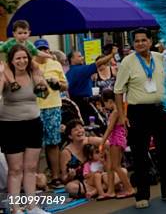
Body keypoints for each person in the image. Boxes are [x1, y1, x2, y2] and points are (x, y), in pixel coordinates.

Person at [114, 28, 166, 209]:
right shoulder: (127, 62)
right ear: (133, 44)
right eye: (136, 41)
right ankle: (142, 195)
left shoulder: (160, 58)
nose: (140, 43)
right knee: (140, 154)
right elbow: (118, 91)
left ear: (150, 42)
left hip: (161, 110)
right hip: (138, 112)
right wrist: (122, 116)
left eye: (144, 40)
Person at [0, 46, 50, 214]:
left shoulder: (33, 73)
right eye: (18, 59)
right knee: (15, 170)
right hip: (11, 126)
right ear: (12, 61)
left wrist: (43, 82)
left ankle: (32, 206)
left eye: (24, 58)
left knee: (30, 168)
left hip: (33, 124)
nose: (22, 61)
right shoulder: (6, 76)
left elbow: (44, 94)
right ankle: (15, 208)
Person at [33, 39, 68, 189]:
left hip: (53, 107)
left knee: (53, 143)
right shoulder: (30, 65)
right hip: (34, 108)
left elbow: (65, 86)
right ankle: (36, 179)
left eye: (46, 49)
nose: (45, 52)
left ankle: (55, 176)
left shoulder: (55, 64)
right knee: (34, 145)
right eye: (41, 49)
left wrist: (58, 84)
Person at [65, 47, 117, 122]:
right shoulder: (80, 70)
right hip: (84, 104)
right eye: (79, 56)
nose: (82, 58)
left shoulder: (69, 72)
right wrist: (111, 54)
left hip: (75, 104)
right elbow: (99, 63)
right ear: (72, 59)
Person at [100, 88, 135, 199]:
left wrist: (102, 141)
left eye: (104, 103)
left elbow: (110, 129)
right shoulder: (119, 111)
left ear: (110, 101)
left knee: (116, 166)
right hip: (117, 139)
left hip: (116, 140)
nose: (105, 106)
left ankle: (129, 188)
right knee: (110, 166)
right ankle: (111, 191)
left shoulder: (115, 112)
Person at [0, 20, 50, 93]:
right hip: (11, 63)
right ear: (14, 34)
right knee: (5, 67)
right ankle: (13, 83)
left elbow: (36, 52)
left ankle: (39, 84)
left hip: (27, 63)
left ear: (29, 33)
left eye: (25, 33)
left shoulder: (29, 44)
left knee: (35, 66)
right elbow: (1, 48)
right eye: (20, 33)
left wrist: (48, 55)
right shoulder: (9, 43)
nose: (23, 35)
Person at [60, 119, 103, 198]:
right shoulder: (66, 152)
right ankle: (102, 188)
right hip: (83, 182)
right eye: (76, 130)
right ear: (70, 136)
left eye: (81, 128)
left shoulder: (90, 141)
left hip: (98, 176)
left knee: (116, 174)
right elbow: (64, 178)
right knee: (70, 187)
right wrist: (70, 176)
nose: (80, 131)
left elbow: (108, 143)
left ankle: (96, 190)